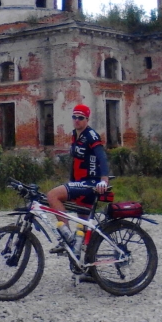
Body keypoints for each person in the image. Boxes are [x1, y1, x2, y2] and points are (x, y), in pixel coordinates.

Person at [46, 104, 110, 251]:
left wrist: (104, 180)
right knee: (83, 226)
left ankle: (67, 238)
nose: (76, 120)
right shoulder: (75, 135)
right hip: (80, 182)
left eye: (80, 118)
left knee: (52, 195)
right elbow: (76, 162)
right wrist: (72, 182)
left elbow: (102, 157)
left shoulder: (91, 135)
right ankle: (85, 258)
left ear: (87, 119)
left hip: (90, 182)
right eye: (74, 117)